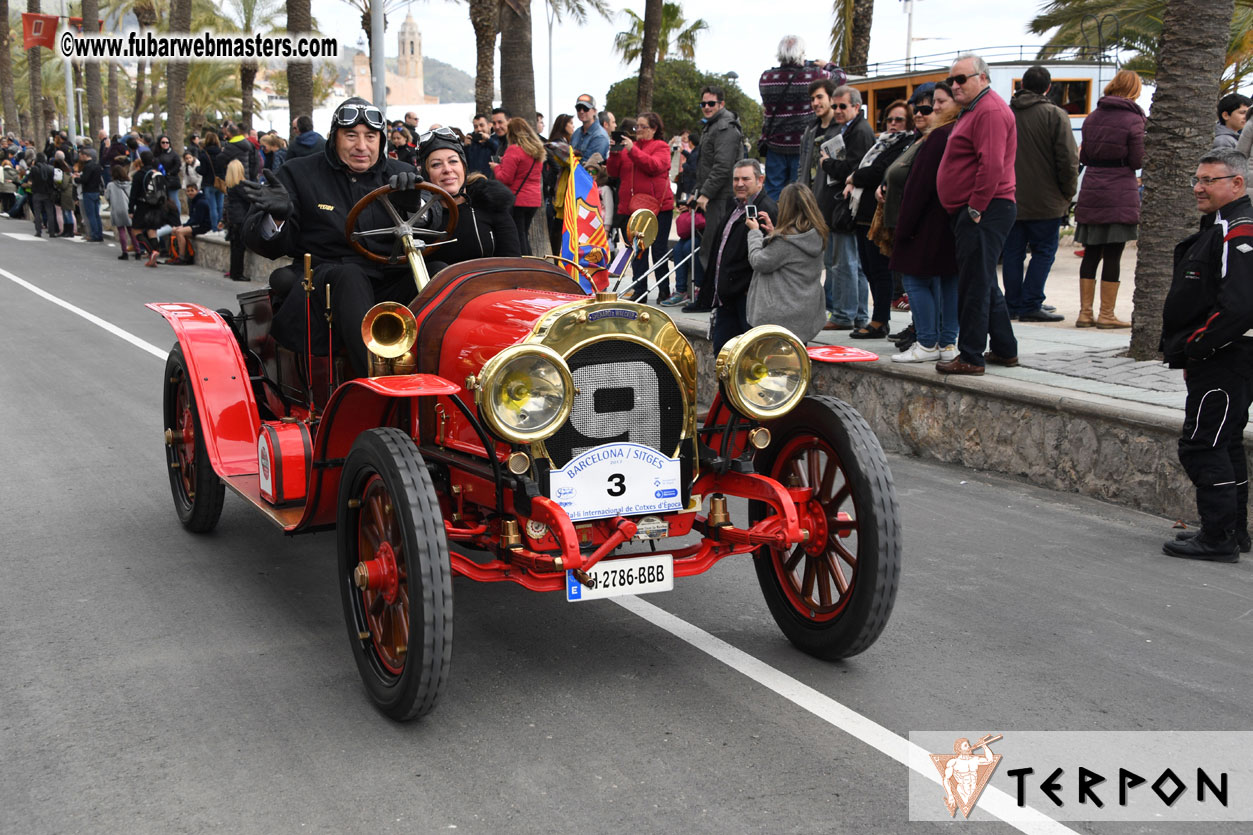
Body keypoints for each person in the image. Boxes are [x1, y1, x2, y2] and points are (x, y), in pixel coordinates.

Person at [242, 97, 436, 375]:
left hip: (389, 279)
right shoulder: (298, 173)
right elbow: (264, 244)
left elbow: (436, 217)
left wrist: (416, 204)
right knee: (350, 276)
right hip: (324, 286)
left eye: (370, 137)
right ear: (334, 138)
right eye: (351, 136)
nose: (361, 146)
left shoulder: (402, 173)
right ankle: (371, 387)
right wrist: (276, 217)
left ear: (381, 141)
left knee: (440, 275)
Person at [1159, 149, 1253, 561]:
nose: (1198, 187)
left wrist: (1198, 346)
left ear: (1236, 183)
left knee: (1202, 444)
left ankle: (1218, 538)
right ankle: (1230, 531)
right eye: (1196, 179)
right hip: (1224, 353)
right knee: (1225, 440)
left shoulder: (1239, 230)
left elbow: (1239, 305)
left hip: (1228, 355)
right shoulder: (1222, 225)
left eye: (1209, 180)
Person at [934, 53, 1019, 375]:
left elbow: (992, 164)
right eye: (952, 79)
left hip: (986, 208)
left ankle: (971, 355)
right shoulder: (976, 109)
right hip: (980, 208)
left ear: (982, 78)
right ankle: (1005, 348)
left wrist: (976, 207)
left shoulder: (990, 111)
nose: (955, 85)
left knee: (973, 285)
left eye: (961, 79)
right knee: (982, 281)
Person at [889, 83, 961, 363]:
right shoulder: (958, 131)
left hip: (929, 222)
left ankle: (928, 342)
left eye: (939, 103)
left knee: (915, 280)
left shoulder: (939, 136)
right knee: (947, 282)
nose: (935, 108)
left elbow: (919, 187)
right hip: (952, 220)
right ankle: (946, 344)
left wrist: (904, 228)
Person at [1002, 65, 1079, 322]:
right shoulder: (1055, 115)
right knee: (1043, 252)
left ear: (1022, 85)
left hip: (1010, 197)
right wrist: (1068, 193)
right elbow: (1067, 159)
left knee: (1013, 253)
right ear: (1048, 88)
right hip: (1046, 200)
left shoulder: (1007, 114)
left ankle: (1013, 303)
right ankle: (1031, 303)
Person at [1073, 69, 1145, 329]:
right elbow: (1138, 160)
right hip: (1120, 188)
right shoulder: (1134, 120)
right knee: (1113, 253)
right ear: (1134, 90)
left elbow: (1084, 155)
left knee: (1091, 252)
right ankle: (1106, 315)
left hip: (1093, 186)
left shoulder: (1092, 117)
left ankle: (1084, 313)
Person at [845, 99, 915, 339]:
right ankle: (878, 320)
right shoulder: (882, 143)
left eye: (899, 120)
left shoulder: (906, 143)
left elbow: (878, 172)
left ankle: (880, 320)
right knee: (868, 267)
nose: (893, 124)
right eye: (890, 120)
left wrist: (854, 176)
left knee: (879, 270)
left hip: (880, 216)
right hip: (862, 216)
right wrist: (856, 176)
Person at [815, 84, 875, 330]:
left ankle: (844, 314)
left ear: (856, 107)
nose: (837, 110)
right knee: (849, 263)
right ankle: (857, 314)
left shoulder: (859, 131)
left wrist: (827, 164)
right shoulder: (850, 129)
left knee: (844, 263)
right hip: (842, 206)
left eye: (842, 106)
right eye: (835, 106)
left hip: (847, 208)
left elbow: (855, 169)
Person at [416, 128, 521, 266]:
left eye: (453, 161)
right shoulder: (419, 216)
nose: (447, 169)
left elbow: (512, 262)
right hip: (440, 287)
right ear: (426, 173)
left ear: (464, 167)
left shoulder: (490, 204)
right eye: (436, 164)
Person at [685, 85, 745, 312]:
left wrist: (706, 193)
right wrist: (698, 192)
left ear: (721, 104)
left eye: (711, 103)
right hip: (713, 196)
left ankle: (712, 298)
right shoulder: (712, 126)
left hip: (722, 198)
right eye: (703, 104)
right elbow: (706, 166)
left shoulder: (724, 127)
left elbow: (723, 167)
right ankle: (709, 296)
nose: (707, 108)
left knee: (715, 249)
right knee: (709, 247)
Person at [758, 35, 840, 200]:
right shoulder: (814, 75)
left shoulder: (766, 78)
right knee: (799, 191)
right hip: (802, 145)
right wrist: (828, 65)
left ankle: (772, 222)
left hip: (775, 145)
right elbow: (841, 77)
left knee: (773, 192)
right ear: (801, 54)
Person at [708, 159, 778, 352]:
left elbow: (769, 257)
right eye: (736, 179)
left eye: (746, 179)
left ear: (760, 180)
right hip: (727, 299)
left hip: (749, 299)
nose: (739, 184)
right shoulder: (736, 207)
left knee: (748, 358)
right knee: (723, 357)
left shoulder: (766, 211)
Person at [744, 182, 828, 342]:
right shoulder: (816, 234)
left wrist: (754, 233)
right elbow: (791, 254)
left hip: (778, 318)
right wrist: (774, 233)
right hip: (804, 314)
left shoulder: (784, 241)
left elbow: (758, 261)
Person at [609, 111, 675, 302]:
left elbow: (653, 166)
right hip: (630, 209)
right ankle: (640, 290)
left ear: (654, 129)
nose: (638, 130)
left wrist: (632, 151)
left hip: (657, 208)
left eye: (643, 126)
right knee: (635, 251)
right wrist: (614, 153)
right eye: (636, 126)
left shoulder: (661, 147)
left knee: (658, 250)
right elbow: (613, 172)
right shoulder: (629, 148)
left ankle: (664, 289)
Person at [493, 117, 545, 256]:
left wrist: (496, 167)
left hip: (518, 199)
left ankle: (524, 263)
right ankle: (529, 261)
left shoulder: (513, 150)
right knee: (524, 233)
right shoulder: (536, 151)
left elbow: (505, 178)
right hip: (533, 200)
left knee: (518, 234)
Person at [168, 183, 211, 264]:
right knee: (175, 231)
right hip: (197, 224)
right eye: (188, 191)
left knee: (180, 232)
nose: (190, 193)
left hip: (204, 226)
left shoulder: (201, 202)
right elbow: (192, 218)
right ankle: (176, 255)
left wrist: (183, 226)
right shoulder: (193, 201)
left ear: (197, 191)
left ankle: (182, 257)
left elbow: (197, 220)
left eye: (192, 190)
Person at [107, 164, 142, 260]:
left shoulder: (111, 185)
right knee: (132, 231)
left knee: (121, 231)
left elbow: (107, 197)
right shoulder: (130, 184)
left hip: (117, 209)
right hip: (128, 209)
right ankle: (138, 251)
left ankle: (124, 252)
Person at [222, 159, 250, 280]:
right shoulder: (241, 186)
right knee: (239, 247)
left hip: (232, 218)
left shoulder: (230, 186)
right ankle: (238, 273)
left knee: (234, 247)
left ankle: (234, 272)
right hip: (241, 218)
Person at [571, 93, 610, 163]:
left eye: (586, 108)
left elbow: (589, 163)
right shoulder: (576, 133)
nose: (581, 111)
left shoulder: (600, 136)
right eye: (578, 108)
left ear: (594, 111)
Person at [76, 148, 104, 243]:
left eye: (81, 156)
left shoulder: (87, 167)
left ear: (85, 155)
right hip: (96, 191)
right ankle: (99, 234)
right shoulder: (97, 166)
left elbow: (85, 179)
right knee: (97, 215)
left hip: (88, 192)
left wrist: (76, 179)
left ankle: (94, 235)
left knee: (91, 215)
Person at [201, 130, 225, 231]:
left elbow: (203, 170)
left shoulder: (204, 154)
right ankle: (221, 226)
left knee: (212, 207)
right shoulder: (222, 152)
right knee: (220, 206)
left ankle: (214, 227)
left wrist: (197, 169)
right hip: (220, 182)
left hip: (208, 182)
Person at [153, 134, 181, 205]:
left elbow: (178, 165)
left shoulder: (174, 154)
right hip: (159, 180)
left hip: (171, 180)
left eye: (167, 142)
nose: (165, 144)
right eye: (163, 142)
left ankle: (176, 215)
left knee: (173, 199)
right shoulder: (156, 154)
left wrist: (169, 173)